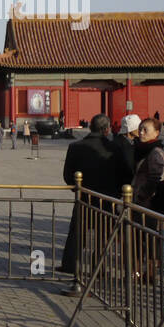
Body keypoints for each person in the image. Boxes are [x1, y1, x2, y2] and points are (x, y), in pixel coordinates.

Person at [59, 114, 132, 275]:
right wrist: (118, 191)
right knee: (103, 236)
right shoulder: (115, 149)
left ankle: (71, 264)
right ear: (107, 130)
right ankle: (98, 267)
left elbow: (67, 175)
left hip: (84, 197)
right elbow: (126, 174)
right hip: (107, 199)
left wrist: (77, 188)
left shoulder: (75, 146)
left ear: (90, 127)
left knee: (77, 233)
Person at [133, 117, 164, 280]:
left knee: (150, 240)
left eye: (146, 129)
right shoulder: (141, 149)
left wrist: (142, 195)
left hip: (148, 203)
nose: (141, 132)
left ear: (157, 133)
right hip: (137, 201)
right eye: (140, 129)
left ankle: (150, 273)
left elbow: (154, 178)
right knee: (137, 238)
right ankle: (137, 272)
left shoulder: (155, 152)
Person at [112, 113, 140, 179]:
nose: (140, 130)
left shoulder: (138, 142)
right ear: (130, 129)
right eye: (137, 127)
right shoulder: (116, 144)